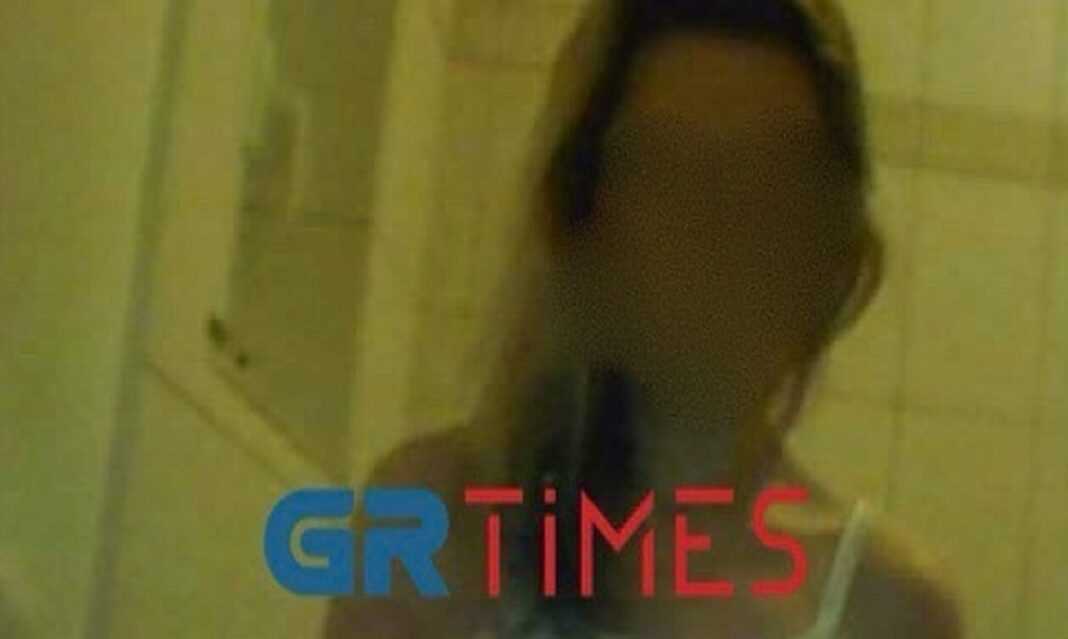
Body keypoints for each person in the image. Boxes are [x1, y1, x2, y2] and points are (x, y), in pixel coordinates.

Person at [323, 0, 962, 637]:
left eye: (773, 176)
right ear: (581, 228)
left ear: (834, 250)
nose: (721, 228)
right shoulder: (431, 519)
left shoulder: (892, 605)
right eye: (666, 169)